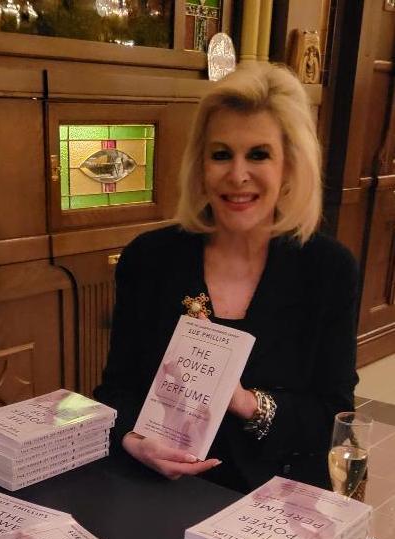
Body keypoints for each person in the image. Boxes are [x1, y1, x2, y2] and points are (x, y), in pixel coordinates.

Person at [94, 62, 359, 492]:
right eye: (221, 155)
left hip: (279, 501)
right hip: (161, 490)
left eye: (259, 154)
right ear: (200, 165)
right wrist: (131, 438)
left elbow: (331, 415)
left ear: (289, 165)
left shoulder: (328, 270)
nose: (238, 175)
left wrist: (245, 403)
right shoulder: (150, 258)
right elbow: (116, 392)